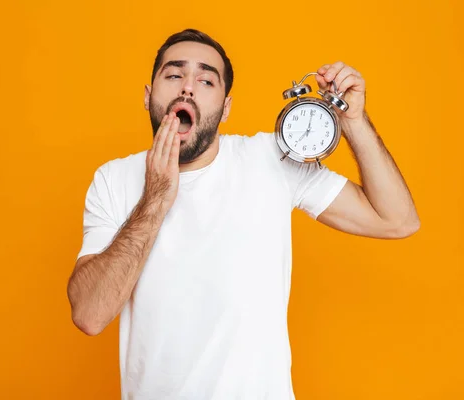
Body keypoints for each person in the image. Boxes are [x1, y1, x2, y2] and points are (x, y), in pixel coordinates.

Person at [66, 28, 420, 399]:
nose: (188, 87)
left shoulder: (271, 160)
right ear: (148, 96)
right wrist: (155, 197)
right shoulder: (113, 179)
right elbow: (89, 314)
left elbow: (397, 220)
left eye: (206, 80)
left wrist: (354, 120)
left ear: (226, 107)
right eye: (174, 75)